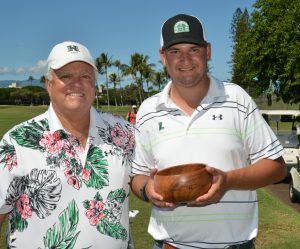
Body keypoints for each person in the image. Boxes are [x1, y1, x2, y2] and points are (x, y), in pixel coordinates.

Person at [130, 14, 287, 249]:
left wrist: (227, 181)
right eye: (175, 51)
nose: (185, 59)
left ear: (208, 51)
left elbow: (277, 167)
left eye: (194, 49)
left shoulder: (237, 99)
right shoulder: (148, 110)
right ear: (163, 57)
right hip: (170, 246)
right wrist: (147, 189)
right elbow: (138, 175)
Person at [0, 41, 135, 249]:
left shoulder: (124, 133)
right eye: (65, 76)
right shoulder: (17, 141)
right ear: (48, 83)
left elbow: (150, 177)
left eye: (85, 76)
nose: (77, 83)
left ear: (94, 84)